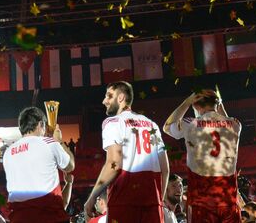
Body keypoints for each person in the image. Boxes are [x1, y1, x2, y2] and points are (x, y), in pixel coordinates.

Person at [84, 81, 169, 222]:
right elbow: (165, 169)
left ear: (121, 98)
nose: (104, 101)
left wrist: (92, 196)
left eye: (109, 96)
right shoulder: (152, 124)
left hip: (123, 203)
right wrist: (159, 200)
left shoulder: (112, 122)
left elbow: (114, 163)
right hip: (152, 205)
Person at [164, 89, 242, 223]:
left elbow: (167, 126)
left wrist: (187, 102)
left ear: (196, 106)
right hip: (228, 198)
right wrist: (219, 104)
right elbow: (225, 120)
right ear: (217, 104)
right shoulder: (235, 124)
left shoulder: (191, 124)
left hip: (202, 201)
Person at [2, 106, 75, 223]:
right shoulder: (49, 143)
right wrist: (59, 141)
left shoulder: (7, 153)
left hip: (19, 218)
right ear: (41, 124)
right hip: (49, 217)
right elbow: (70, 165)